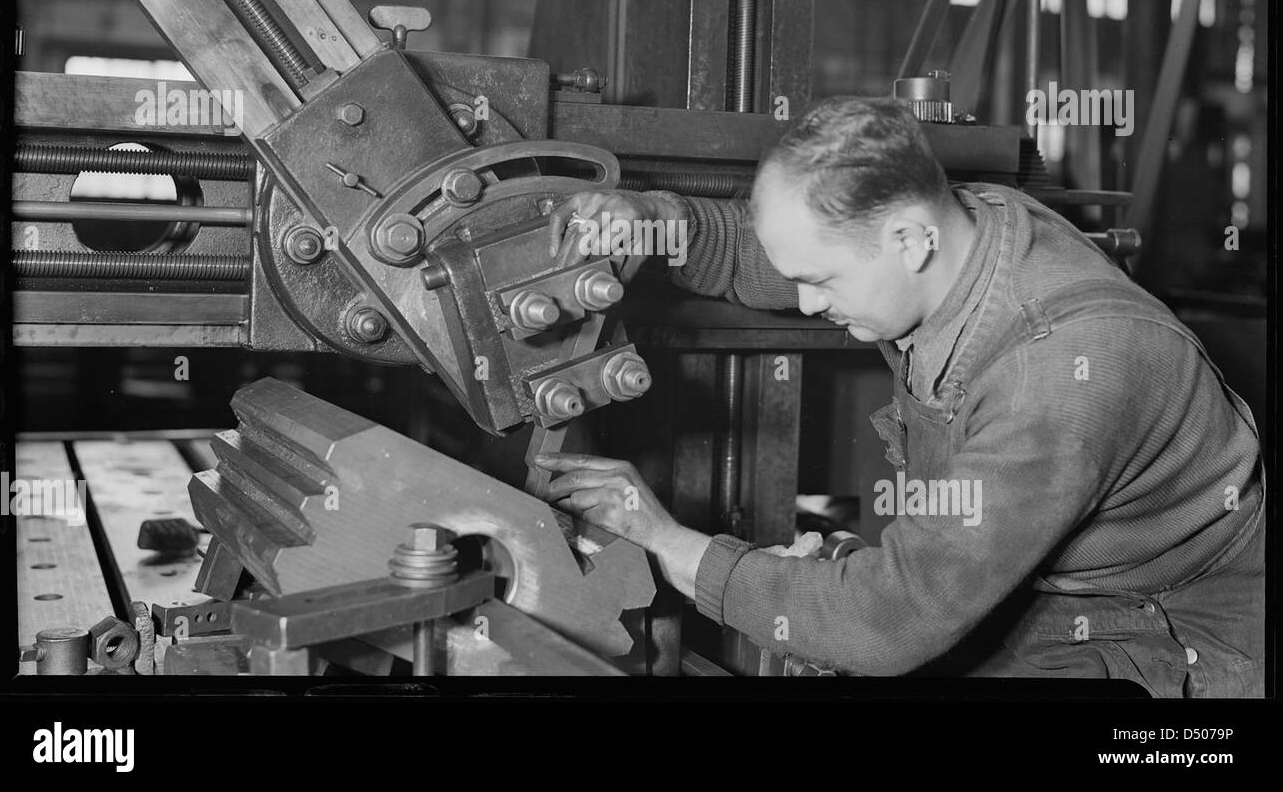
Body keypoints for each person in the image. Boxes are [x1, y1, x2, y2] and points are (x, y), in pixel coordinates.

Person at [536, 95, 1264, 696]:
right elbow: (759, 256)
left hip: (1177, 637)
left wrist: (668, 543)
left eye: (822, 281)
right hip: (1063, 587)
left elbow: (888, 624)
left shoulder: (1065, 372)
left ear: (910, 240)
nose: (805, 303)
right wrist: (654, 223)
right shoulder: (961, 231)